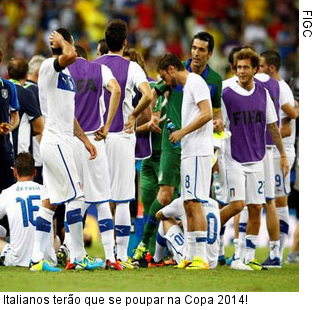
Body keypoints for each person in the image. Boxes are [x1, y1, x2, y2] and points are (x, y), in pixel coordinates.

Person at [133, 31, 223, 262]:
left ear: (210, 54)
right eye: (193, 47)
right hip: (175, 145)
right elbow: (154, 93)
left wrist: (214, 122)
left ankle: (199, 255)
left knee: (194, 201)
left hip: (194, 144)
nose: (195, 53)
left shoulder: (208, 81)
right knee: (173, 197)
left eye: (201, 49)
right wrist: (151, 114)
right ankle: (158, 248)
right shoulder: (180, 71)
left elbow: (211, 111)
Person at [29, 28, 99, 272]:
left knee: (50, 202)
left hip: (63, 142)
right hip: (56, 142)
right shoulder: (49, 66)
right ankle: (78, 257)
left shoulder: (67, 77)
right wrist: (63, 41)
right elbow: (70, 55)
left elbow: (69, 115)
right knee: (77, 197)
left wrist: (85, 140)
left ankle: (38, 259)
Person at [220, 48, 289, 271]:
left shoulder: (263, 94)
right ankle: (206, 235)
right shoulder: (225, 92)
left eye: (245, 67)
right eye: (238, 67)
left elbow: (273, 126)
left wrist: (283, 154)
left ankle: (246, 257)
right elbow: (216, 121)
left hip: (257, 159)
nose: (241, 71)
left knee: (256, 207)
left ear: (255, 69)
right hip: (234, 158)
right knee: (237, 205)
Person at [93, 19, 153, 269]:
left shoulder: (93, 66)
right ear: (125, 43)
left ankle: (108, 255)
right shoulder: (132, 68)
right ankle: (121, 255)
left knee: (101, 197)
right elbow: (148, 95)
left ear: (105, 42)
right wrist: (133, 114)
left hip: (97, 136)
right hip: (122, 137)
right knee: (122, 198)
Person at [66, 45, 122, 271]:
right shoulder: (100, 69)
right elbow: (116, 90)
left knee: (73, 198)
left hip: (71, 140)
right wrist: (107, 126)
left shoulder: (64, 71)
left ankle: (76, 257)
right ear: (86, 57)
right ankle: (110, 257)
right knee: (101, 199)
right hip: (95, 141)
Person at [157, 53, 214, 270]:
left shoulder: (195, 82)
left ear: (172, 69)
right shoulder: (189, 85)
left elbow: (207, 113)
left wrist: (182, 132)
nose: (164, 81)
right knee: (188, 202)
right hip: (190, 151)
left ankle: (201, 257)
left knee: (195, 201)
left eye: (164, 76)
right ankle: (190, 255)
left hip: (199, 150)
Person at [259, 50, 299, 264]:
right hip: (275, 151)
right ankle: (277, 253)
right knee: (276, 201)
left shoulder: (281, 88)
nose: (259, 70)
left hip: (280, 151)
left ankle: (277, 253)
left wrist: (259, 132)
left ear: (271, 68)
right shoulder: (276, 87)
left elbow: (287, 128)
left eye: (262, 66)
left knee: (276, 202)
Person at [0, 153, 56, 268]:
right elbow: (54, 231)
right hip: (47, 259)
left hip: (17, 260)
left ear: (15, 172)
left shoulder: (7, 193)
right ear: (35, 172)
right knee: (57, 239)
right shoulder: (46, 191)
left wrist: (3, 232)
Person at [151, 196, 220, 270]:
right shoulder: (215, 203)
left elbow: (158, 215)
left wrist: (177, 220)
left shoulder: (183, 201)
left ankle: (157, 260)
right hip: (213, 262)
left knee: (165, 219)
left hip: (193, 260)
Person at [7, 58, 45, 161]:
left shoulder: (3, 90)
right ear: (26, 75)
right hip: (20, 155)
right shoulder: (27, 94)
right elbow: (39, 127)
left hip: (3, 150)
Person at [0, 47, 20, 194]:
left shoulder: (9, 86)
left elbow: (15, 116)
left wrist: (10, 127)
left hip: (4, 152)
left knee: (6, 195)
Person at [24, 55, 47, 185]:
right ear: (40, 73)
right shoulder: (37, 91)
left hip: (20, 155)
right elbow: (40, 126)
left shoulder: (16, 89)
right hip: (38, 157)